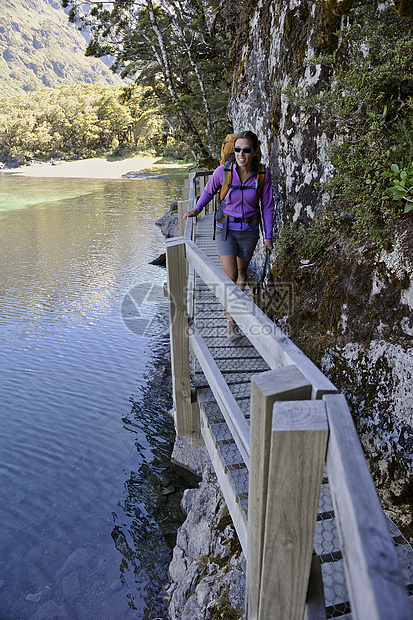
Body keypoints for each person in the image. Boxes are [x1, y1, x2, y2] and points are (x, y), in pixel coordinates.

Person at [184, 130, 275, 341]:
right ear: (233, 151)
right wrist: (197, 209)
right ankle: (231, 322)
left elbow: (268, 207)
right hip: (225, 229)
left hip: (250, 231)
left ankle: (233, 314)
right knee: (231, 276)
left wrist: (268, 237)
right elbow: (208, 192)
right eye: (237, 150)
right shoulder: (223, 171)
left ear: (254, 151)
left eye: (246, 150)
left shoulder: (262, 175)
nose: (241, 154)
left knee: (242, 273)